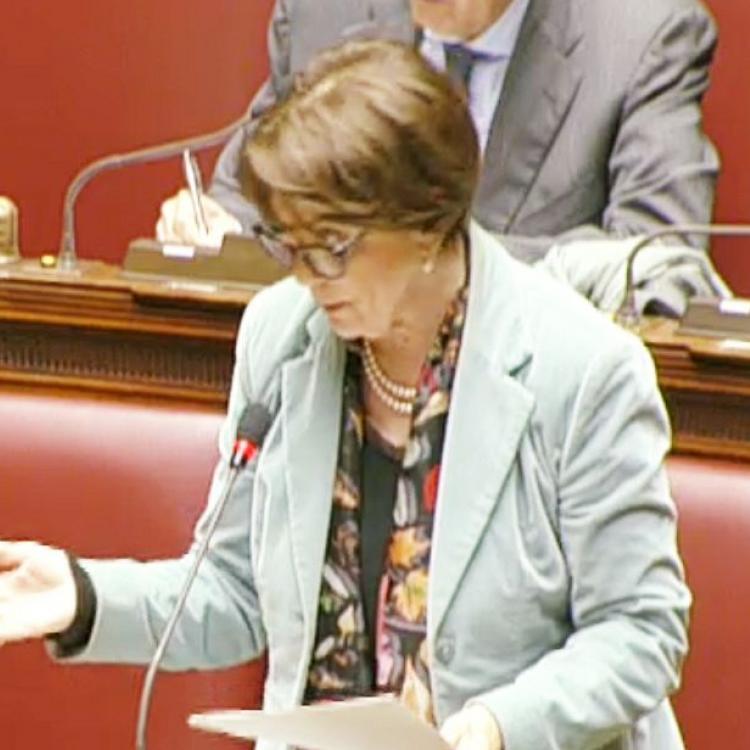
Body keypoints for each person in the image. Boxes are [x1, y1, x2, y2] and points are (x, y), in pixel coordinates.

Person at [1, 40, 690, 750]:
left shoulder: (582, 370)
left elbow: (640, 630)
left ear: (428, 223)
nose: (307, 277)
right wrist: (82, 597)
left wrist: (498, 726)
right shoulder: (280, 336)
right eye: (290, 246)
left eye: (332, 248)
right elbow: (234, 589)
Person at [158, 0, 722, 314]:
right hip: (335, 379)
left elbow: (659, 258)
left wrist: (431, 266)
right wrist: (216, 226)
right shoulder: (324, 12)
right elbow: (248, 197)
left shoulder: (641, 36)